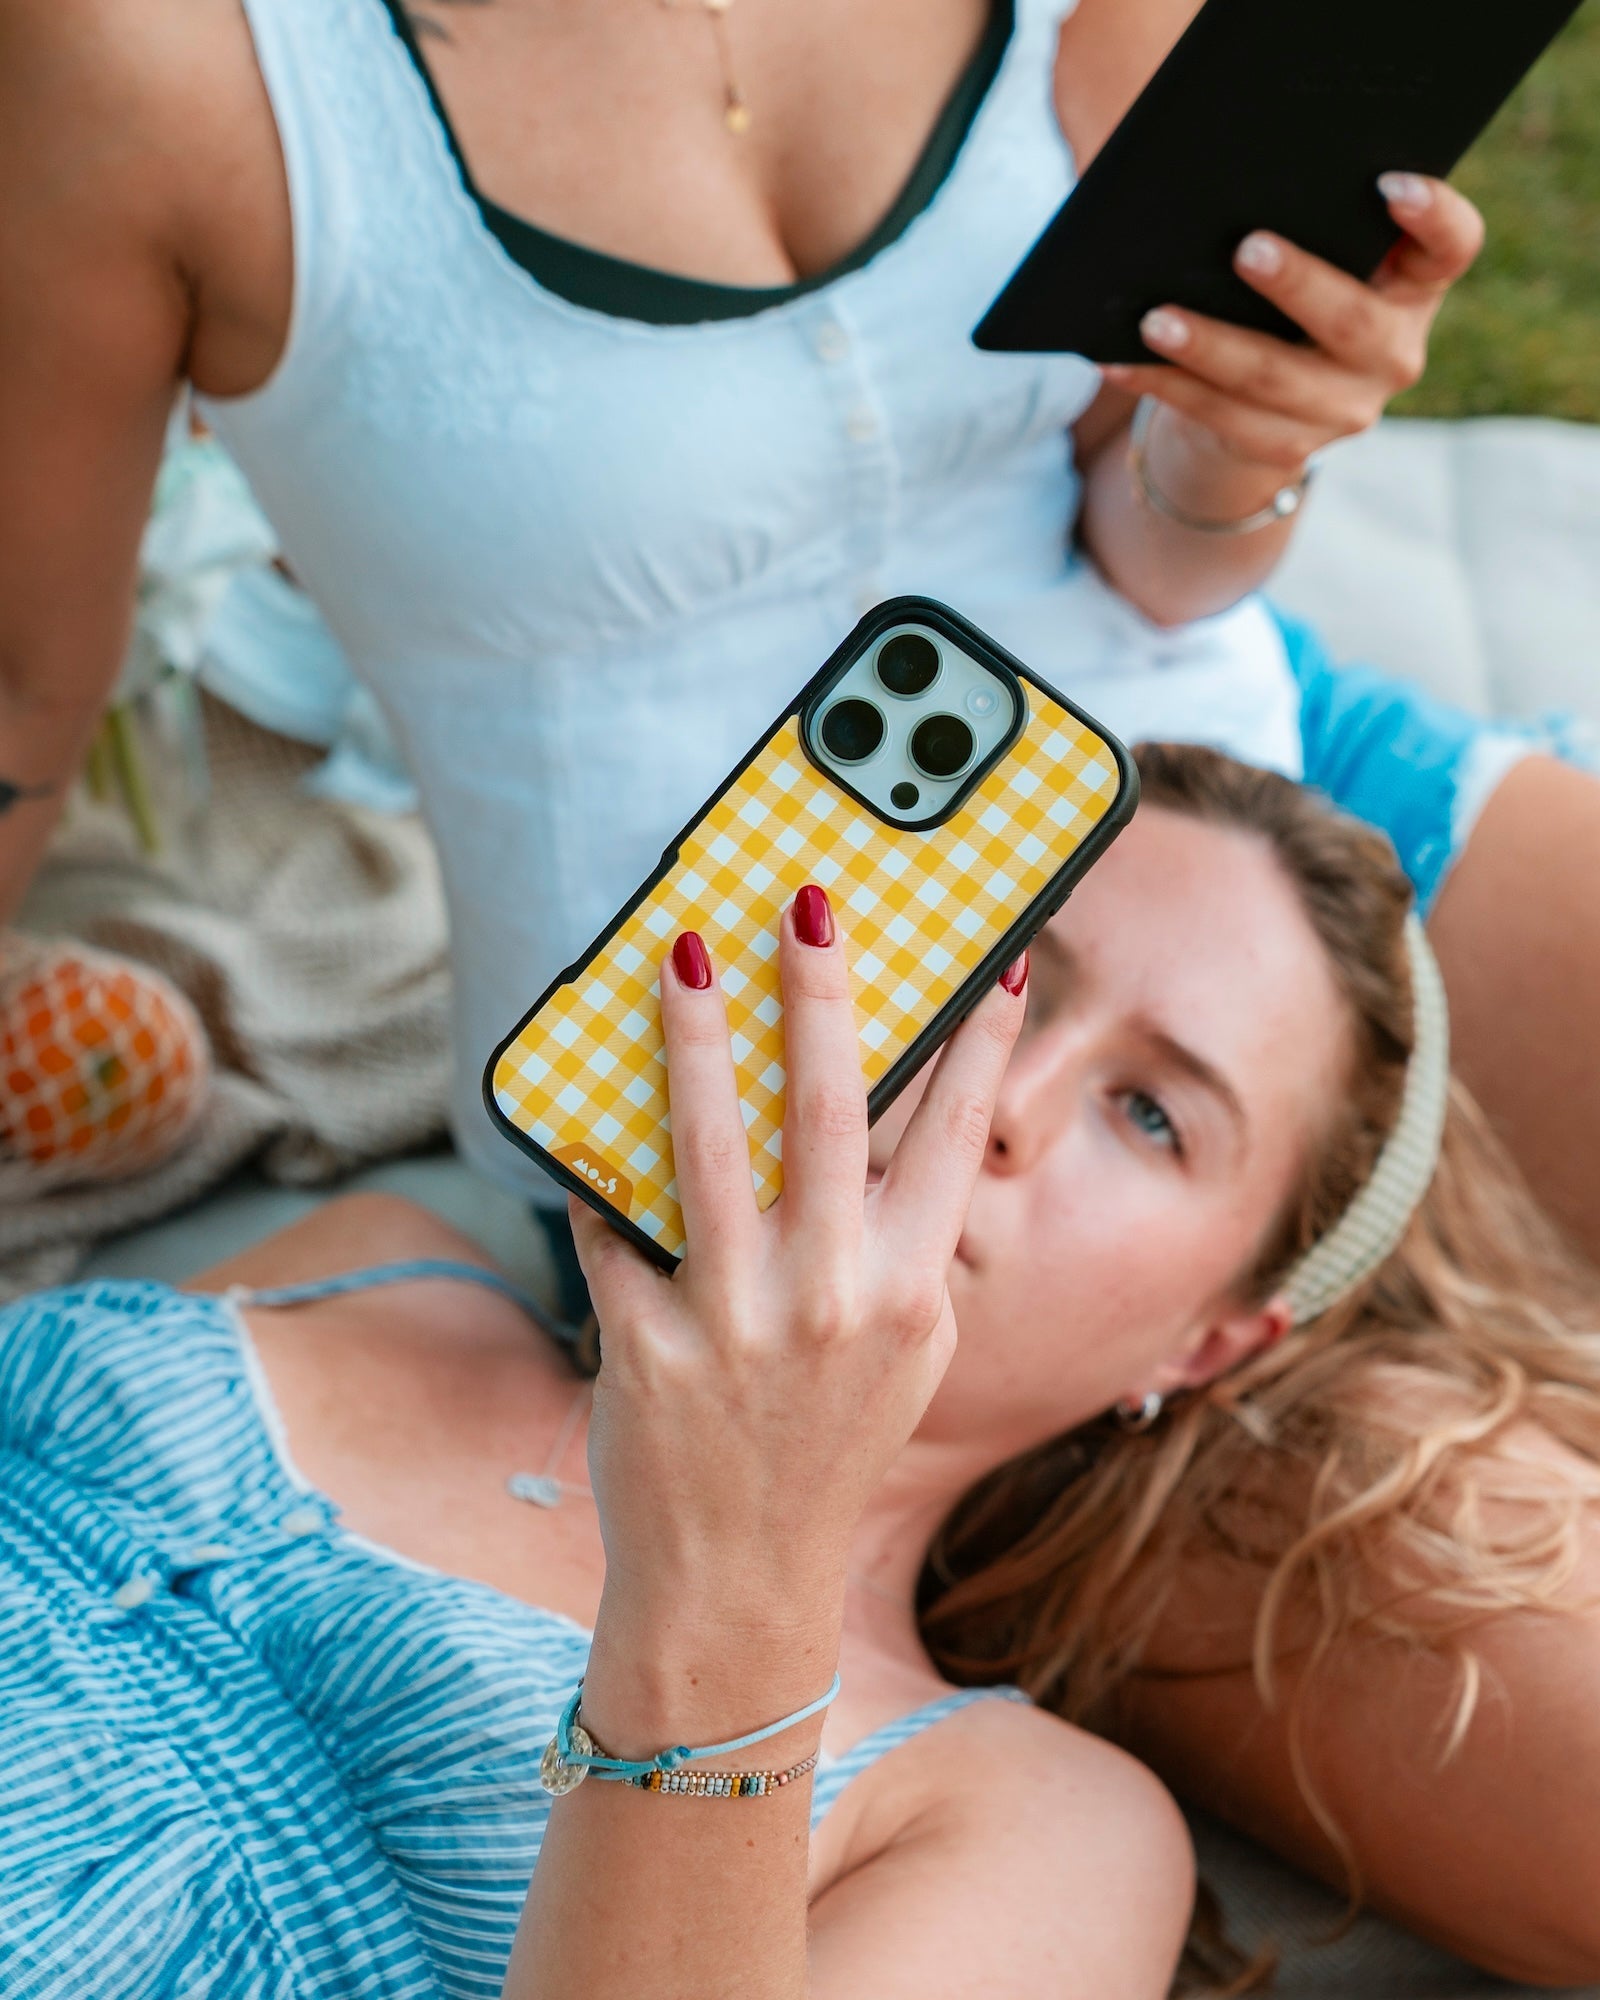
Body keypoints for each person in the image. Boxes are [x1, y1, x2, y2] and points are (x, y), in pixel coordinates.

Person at [4, 0, 1599, 1290]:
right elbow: (19, 706)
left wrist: (1241, 450)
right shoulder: (163, 57)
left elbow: (1152, 539)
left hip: (1281, 810)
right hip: (791, 1130)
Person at [5, 745, 1597, 1996]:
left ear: (1213, 1338)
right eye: (1002, 975)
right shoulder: (387, 1244)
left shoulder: (1032, 1827)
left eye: (1154, 1114)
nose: (1009, 1094)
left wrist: (740, 1564)